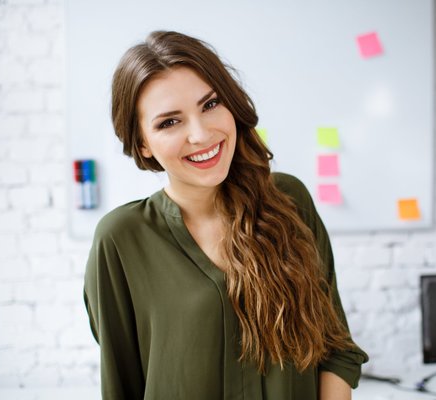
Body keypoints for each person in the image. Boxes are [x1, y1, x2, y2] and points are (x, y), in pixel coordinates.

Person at [83, 30, 368, 400]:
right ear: (142, 144)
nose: (201, 134)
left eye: (210, 104)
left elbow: (336, 349)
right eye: (170, 122)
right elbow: (121, 384)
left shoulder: (289, 200)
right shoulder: (121, 239)